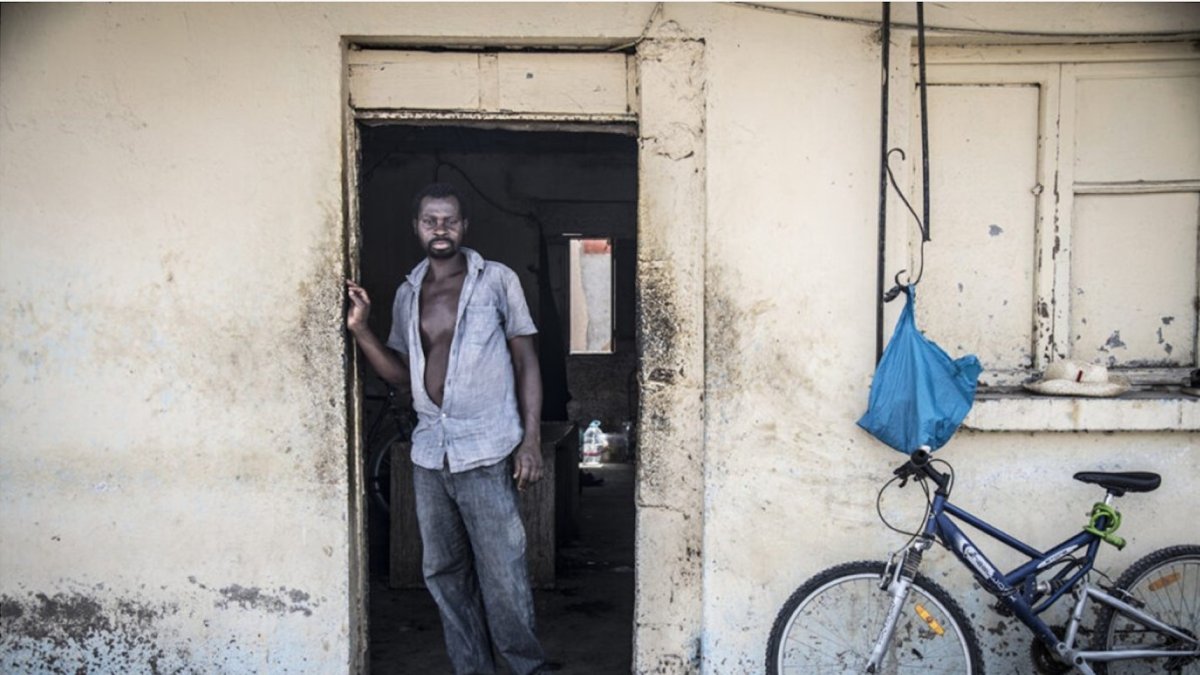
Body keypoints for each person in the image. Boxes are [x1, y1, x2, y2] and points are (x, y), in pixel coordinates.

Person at [346, 182, 546, 674]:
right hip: (431, 455)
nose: (441, 229)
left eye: (450, 220)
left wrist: (532, 440)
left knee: (503, 575)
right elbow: (399, 374)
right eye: (431, 220)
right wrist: (360, 329)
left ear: (464, 227)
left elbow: (526, 361)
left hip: (486, 449)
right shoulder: (408, 291)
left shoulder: (497, 281)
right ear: (417, 227)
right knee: (444, 574)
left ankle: (526, 667)